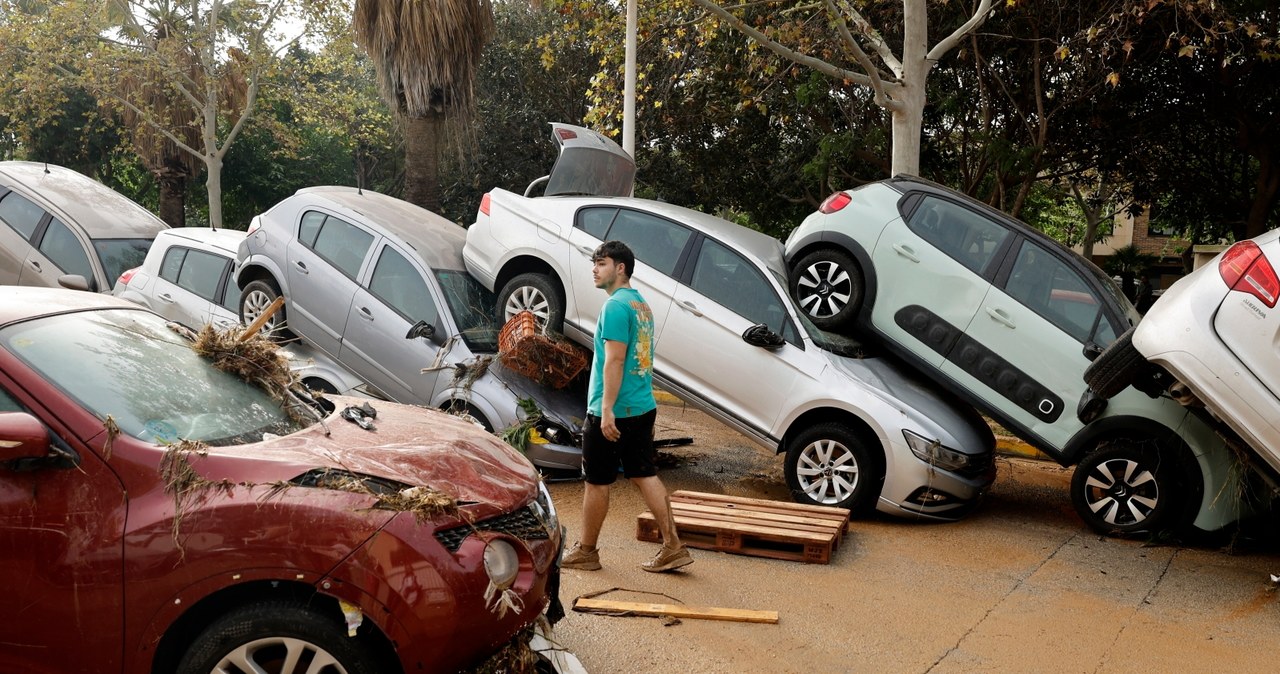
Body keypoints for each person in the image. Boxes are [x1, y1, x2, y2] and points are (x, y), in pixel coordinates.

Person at [560, 240, 693, 573]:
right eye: (594, 263)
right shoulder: (641, 306)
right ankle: (673, 545)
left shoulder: (616, 307)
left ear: (621, 268)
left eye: (601, 263)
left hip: (615, 412)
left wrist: (605, 410)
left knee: (596, 481)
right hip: (641, 405)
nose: (594, 268)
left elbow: (615, 361)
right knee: (644, 474)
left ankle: (587, 551)